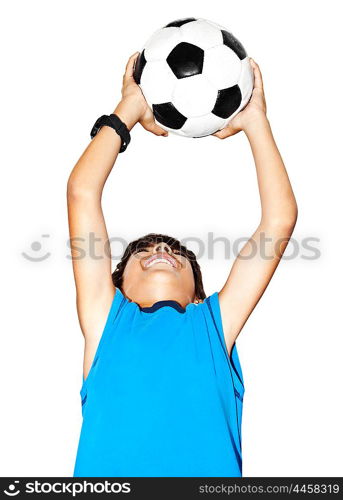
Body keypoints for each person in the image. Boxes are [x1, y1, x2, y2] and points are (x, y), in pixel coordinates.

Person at [67, 53, 297, 477]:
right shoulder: (106, 320)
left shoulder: (212, 325)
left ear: (197, 292)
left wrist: (256, 122)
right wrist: (128, 110)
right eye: (143, 251)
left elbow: (278, 221)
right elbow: (82, 190)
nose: (161, 251)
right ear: (116, 284)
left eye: (175, 252)